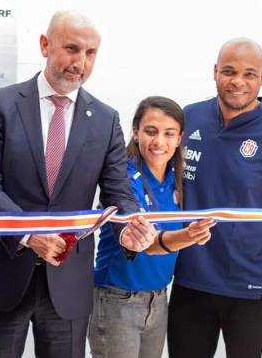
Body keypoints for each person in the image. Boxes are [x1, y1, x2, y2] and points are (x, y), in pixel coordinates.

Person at [0, 10, 157, 358]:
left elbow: (117, 192)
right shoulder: (2, 105)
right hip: (3, 274)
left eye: (90, 53)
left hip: (69, 284)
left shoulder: (104, 118)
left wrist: (127, 225)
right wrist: (28, 233)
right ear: (44, 45)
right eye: (71, 48)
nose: (80, 62)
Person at [168, 38, 262, 358]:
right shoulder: (189, 117)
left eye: (249, 74)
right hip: (190, 279)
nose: (238, 81)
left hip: (252, 285)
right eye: (229, 71)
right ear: (214, 72)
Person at [89, 96, 216, 358]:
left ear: (180, 138)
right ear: (135, 133)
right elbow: (149, 244)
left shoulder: (177, 179)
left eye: (169, 133)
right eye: (150, 131)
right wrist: (190, 235)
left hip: (158, 299)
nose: (159, 142)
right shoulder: (121, 180)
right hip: (118, 300)